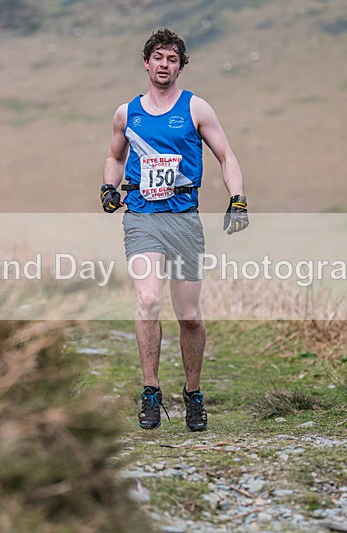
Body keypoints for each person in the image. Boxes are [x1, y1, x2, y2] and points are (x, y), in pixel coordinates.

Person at [101, 28, 248, 431]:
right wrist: (108, 188)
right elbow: (114, 157)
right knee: (148, 300)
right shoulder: (126, 113)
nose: (164, 65)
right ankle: (151, 390)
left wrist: (237, 198)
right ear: (146, 63)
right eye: (158, 58)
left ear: (180, 67)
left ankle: (193, 393)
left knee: (188, 316)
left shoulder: (197, 108)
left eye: (172, 59)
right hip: (142, 218)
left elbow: (226, 155)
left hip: (184, 220)